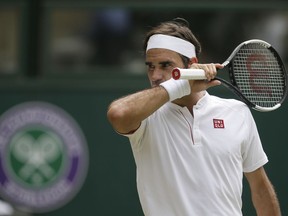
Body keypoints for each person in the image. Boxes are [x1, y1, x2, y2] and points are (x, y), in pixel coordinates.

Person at [107, 18, 281, 216]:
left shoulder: (237, 113)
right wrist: (180, 84)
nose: (155, 75)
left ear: (192, 65)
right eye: (150, 66)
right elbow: (118, 114)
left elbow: (259, 186)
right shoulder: (147, 117)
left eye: (165, 65)